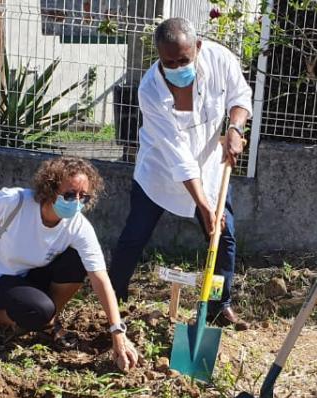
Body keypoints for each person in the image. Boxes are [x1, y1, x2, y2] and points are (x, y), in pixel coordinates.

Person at [108, 17, 253, 330]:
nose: (176, 67)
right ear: (158, 55)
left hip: (211, 167)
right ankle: (113, 297)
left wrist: (234, 127)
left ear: (198, 47)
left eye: (183, 60)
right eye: (168, 61)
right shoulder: (150, 90)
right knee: (135, 236)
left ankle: (218, 304)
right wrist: (204, 205)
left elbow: (240, 97)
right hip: (160, 172)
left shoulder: (220, 59)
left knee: (223, 238)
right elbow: (178, 155)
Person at [0, 157, 140, 371]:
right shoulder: (13, 202)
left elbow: (99, 277)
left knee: (75, 260)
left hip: (25, 278)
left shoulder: (77, 226)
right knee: (39, 309)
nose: (76, 202)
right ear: (49, 189)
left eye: (83, 197)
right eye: (69, 194)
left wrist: (118, 331)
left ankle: (44, 321)